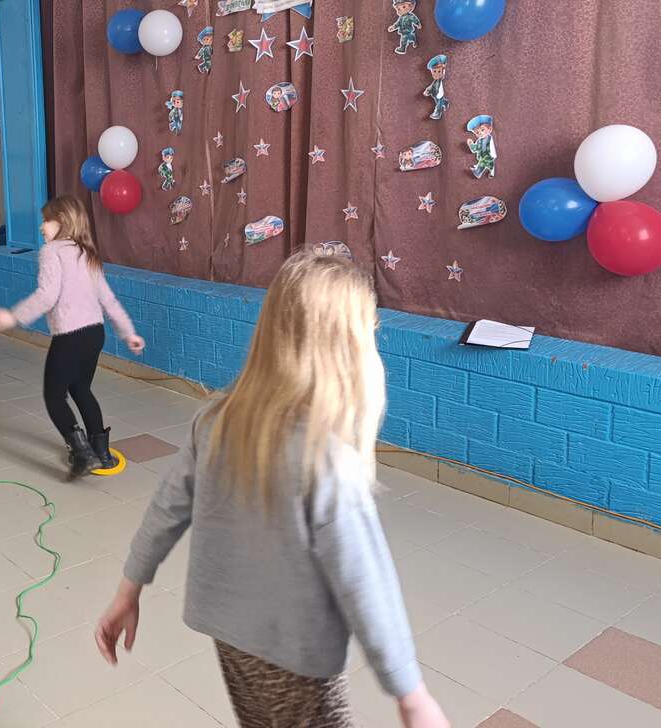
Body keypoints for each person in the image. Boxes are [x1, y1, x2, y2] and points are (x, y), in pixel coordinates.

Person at [95, 250, 449, 728]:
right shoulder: (328, 462)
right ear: (351, 346)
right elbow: (365, 581)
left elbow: (166, 508)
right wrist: (410, 693)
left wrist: (128, 589)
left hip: (230, 638)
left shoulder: (214, 420)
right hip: (295, 657)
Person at [0, 196, 146, 478]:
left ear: (62, 221)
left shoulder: (51, 251)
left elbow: (47, 296)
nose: (41, 226)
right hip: (94, 334)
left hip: (69, 337)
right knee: (81, 389)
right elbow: (108, 300)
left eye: (46, 220)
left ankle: (82, 454)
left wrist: (13, 317)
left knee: (54, 396)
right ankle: (101, 452)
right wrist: (129, 333)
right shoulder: (87, 252)